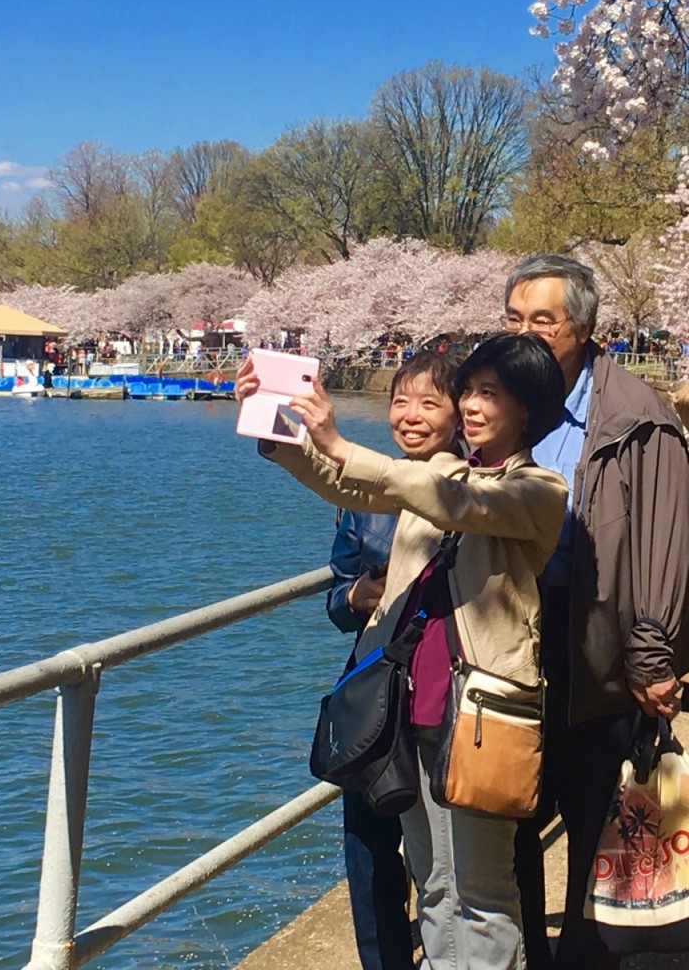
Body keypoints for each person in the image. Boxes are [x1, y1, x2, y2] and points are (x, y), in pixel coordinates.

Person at [236, 334, 568, 970]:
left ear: (526, 409)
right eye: (467, 391)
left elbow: (458, 504)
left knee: (484, 891)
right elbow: (361, 490)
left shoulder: (538, 491)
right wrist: (284, 442)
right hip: (411, 711)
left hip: (480, 716)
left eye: (488, 394)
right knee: (436, 883)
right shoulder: (443, 473)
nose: (469, 405)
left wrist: (336, 444)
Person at [503, 254, 689, 970]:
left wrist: (652, 657)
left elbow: (667, 546)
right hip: (510, 655)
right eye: (514, 319)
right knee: (510, 820)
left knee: (592, 826)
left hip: (599, 660)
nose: (526, 333)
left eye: (542, 321)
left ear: (582, 327)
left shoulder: (639, 418)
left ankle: (584, 953)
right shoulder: (499, 402)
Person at [327, 353, 461, 970]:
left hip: (444, 690)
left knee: (447, 859)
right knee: (369, 845)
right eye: (401, 403)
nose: (411, 418)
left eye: (430, 404)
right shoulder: (361, 493)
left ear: (460, 413)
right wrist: (356, 595)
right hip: (377, 688)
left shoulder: (472, 484)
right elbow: (338, 596)